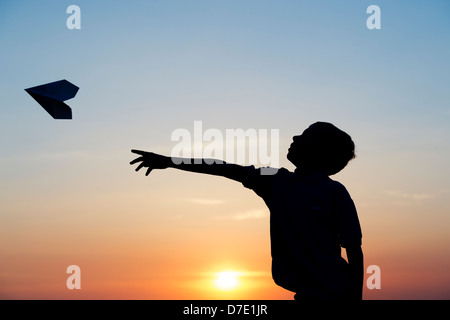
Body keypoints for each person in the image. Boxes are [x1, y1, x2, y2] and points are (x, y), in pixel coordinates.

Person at [130, 121, 363, 300]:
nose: (294, 137)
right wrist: (171, 161)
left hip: (336, 295)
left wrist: (354, 299)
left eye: (305, 135)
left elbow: (354, 250)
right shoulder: (277, 181)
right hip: (306, 295)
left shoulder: (335, 192)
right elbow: (226, 168)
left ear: (319, 151)